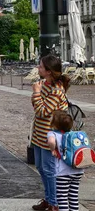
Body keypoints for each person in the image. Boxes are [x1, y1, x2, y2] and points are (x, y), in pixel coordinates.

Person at [31, 54, 70, 211]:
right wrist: (37, 94)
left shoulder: (56, 90)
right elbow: (36, 106)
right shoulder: (44, 84)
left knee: (49, 170)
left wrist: (36, 93)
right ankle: (47, 199)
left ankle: (54, 203)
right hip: (39, 133)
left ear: (48, 71)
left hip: (50, 135)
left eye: (40, 66)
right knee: (40, 168)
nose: (38, 68)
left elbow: (41, 111)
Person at [47, 110, 83, 211]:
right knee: (73, 196)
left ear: (54, 123)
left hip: (63, 172)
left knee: (62, 198)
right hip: (77, 170)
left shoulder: (52, 133)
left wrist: (53, 149)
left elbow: (51, 141)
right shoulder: (73, 134)